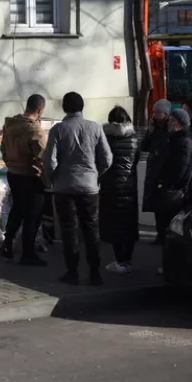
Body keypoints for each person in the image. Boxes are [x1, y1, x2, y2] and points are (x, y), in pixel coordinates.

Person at [43, 92, 113, 286]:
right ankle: (94, 272)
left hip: (64, 188)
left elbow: (49, 160)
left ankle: (72, 272)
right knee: (91, 229)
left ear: (65, 108)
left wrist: (53, 178)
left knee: (69, 230)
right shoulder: (95, 127)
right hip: (90, 187)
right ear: (82, 107)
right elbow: (107, 158)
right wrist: (96, 174)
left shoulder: (58, 129)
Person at [0, 94, 49, 267]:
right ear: (40, 110)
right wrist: (47, 179)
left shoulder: (10, 125)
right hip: (30, 176)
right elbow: (43, 157)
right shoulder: (34, 130)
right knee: (32, 215)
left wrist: (10, 162)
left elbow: (3, 148)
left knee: (17, 209)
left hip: (13, 173)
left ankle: (8, 244)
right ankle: (28, 253)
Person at [99, 106, 141, 274]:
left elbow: (102, 161)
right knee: (128, 224)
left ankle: (119, 260)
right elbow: (136, 160)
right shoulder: (134, 138)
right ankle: (128, 260)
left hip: (111, 188)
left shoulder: (106, 138)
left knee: (115, 225)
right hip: (129, 188)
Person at [153, 108, 192, 259]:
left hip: (174, 194)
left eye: (173, 121)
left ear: (181, 124)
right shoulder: (176, 141)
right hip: (174, 192)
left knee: (171, 230)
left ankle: (172, 263)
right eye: (170, 120)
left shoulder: (183, 143)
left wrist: (165, 185)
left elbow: (181, 171)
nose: (169, 123)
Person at [141, 99, 172, 244]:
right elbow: (145, 146)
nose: (154, 115)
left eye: (157, 112)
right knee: (156, 207)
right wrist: (150, 132)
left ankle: (166, 235)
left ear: (165, 114)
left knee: (165, 207)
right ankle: (160, 234)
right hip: (154, 170)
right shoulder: (155, 128)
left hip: (164, 171)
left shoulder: (170, 129)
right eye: (153, 111)